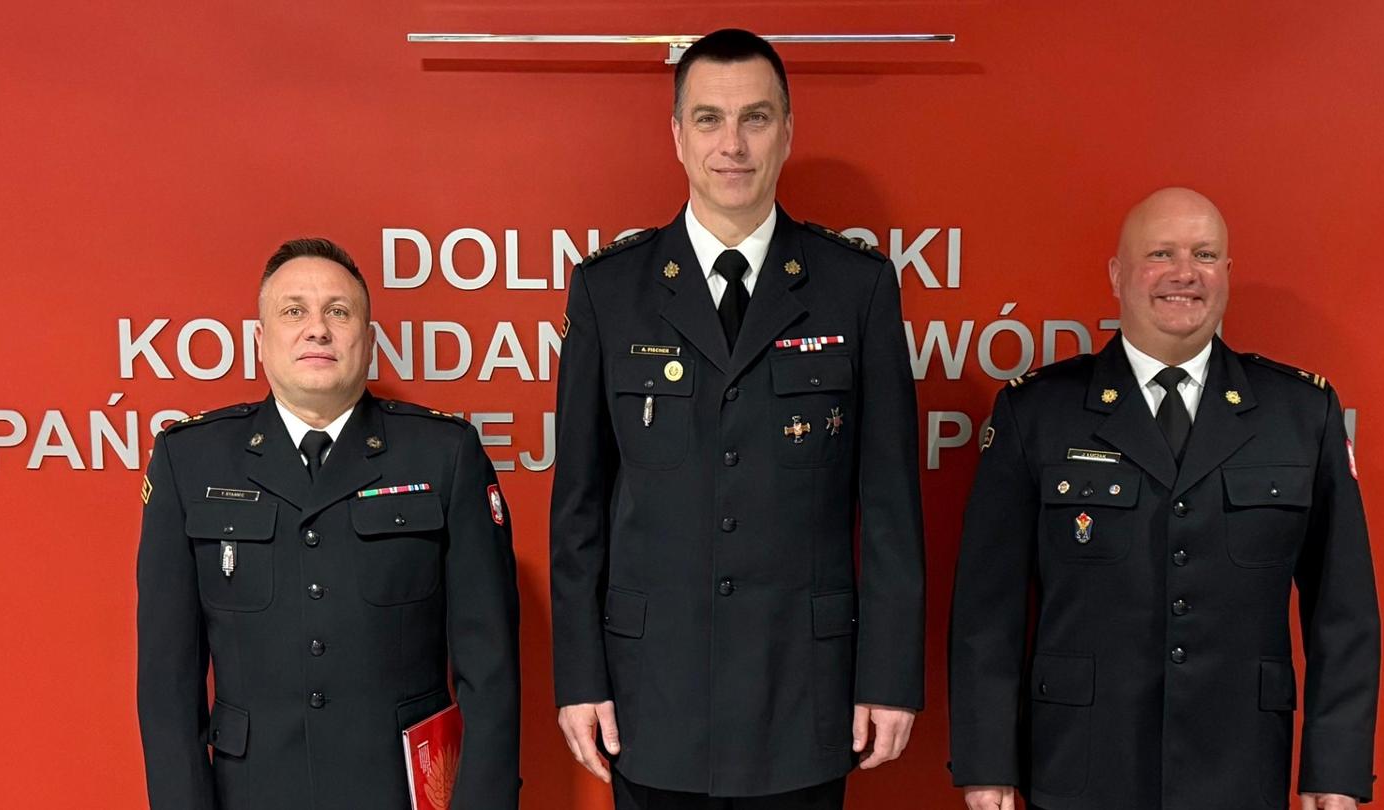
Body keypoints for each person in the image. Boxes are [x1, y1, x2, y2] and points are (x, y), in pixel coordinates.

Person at [550, 28, 927, 810]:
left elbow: (891, 505)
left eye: (755, 118)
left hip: (804, 692)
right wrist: (580, 678)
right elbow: (579, 509)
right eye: (710, 119)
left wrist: (890, 677)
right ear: (677, 136)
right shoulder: (610, 291)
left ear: (786, 132)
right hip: (651, 695)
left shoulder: (854, 287)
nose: (733, 144)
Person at [948, 188, 1380, 810]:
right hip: (1081, 765)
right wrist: (987, 762)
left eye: (1204, 255)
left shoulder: (1300, 413)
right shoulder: (1037, 412)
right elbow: (988, 610)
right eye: (1160, 254)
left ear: (1227, 273)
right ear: (1117, 274)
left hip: (1239, 768)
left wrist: (1334, 769)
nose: (1185, 273)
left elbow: (1344, 611)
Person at [136, 238, 521, 809]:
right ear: (261, 340)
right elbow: (167, 683)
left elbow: (491, 670)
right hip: (252, 794)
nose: (317, 329)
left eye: (338, 312)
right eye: (294, 311)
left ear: (368, 340)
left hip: (400, 794)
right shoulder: (189, 460)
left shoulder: (445, 454)